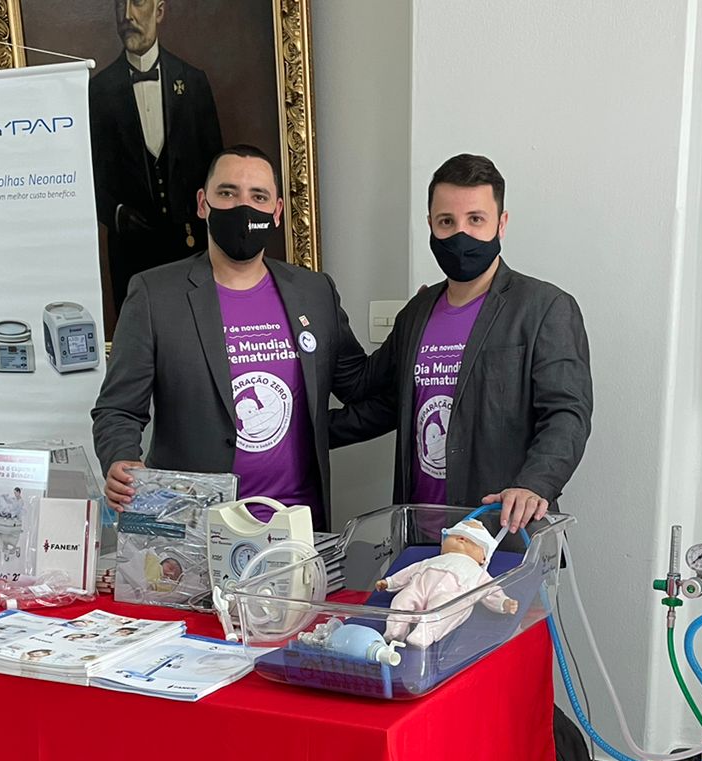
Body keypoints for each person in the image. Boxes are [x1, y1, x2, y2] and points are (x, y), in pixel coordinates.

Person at [92, 145, 370, 528]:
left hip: (295, 526)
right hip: (193, 526)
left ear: (276, 211)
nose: (243, 207)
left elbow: (360, 384)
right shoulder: (155, 295)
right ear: (202, 204)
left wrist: (413, 328)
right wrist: (120, 458)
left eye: (258, 196)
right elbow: (118, 409)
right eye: (227, 193)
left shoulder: (314, 292)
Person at [331, 153, 593, 533]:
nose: (460, 235)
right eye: (446, 222)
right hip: (419, 534)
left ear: (501, 223)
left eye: (475, 219)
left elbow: (567, 413)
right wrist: (300, 433)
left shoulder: (544, 308)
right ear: (430, 225)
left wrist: (535, 484)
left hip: (501, 533)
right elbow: (385, 402)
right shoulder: (417, 312)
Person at [89, 0, 223, 313]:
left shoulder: (193, 81)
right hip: (130, 255)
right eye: (119, 5)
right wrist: (117, 214)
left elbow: (217, 168)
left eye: (137, 3)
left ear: (159, 11)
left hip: (190, 247)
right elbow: (88, 173)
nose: (127, 15)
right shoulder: (97, 91)